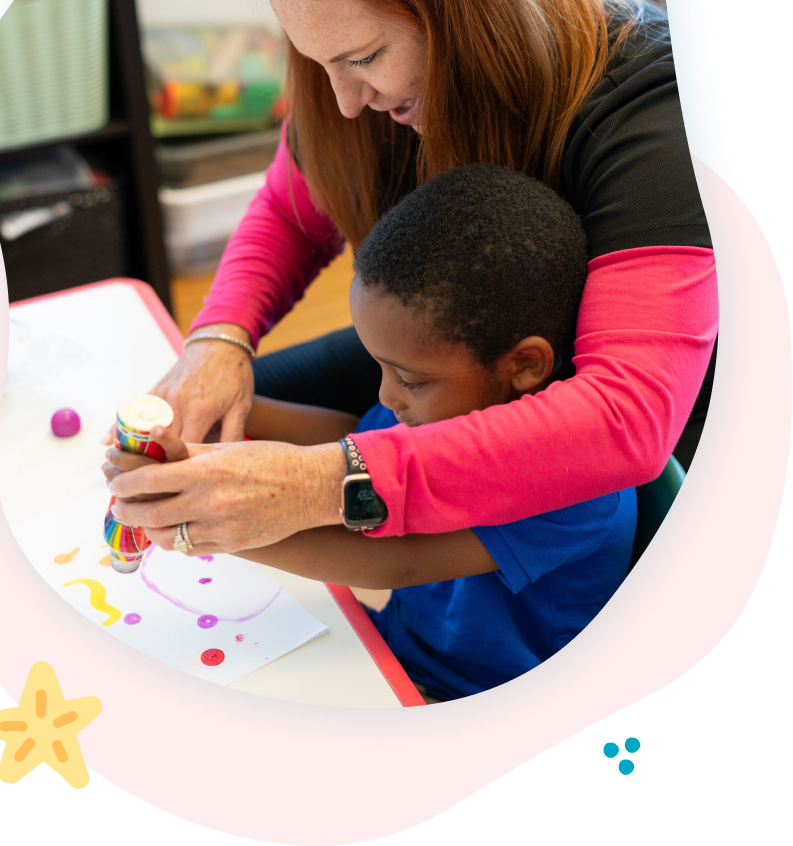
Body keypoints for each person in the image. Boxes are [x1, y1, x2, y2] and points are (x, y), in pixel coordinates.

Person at [106, 0, 717, 555]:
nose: (344, 102)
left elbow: (626, 421)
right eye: (320, 64)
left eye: (364, 58)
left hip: (631, 420)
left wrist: (322, 486)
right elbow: (291, 212)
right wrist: (218, 339)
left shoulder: (658, 109)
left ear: (464, 4)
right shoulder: (364, 86)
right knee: (224, 420)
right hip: (460, 348)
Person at [105, 165, 637, 702]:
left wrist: (199, 522)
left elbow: (394, 559)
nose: (387, 396)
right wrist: (222, 422)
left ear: (524, 365)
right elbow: (354, 440)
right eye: (380, 367)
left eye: (409, 379)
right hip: (397, 653)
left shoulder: (577, 486)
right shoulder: (441, 404)